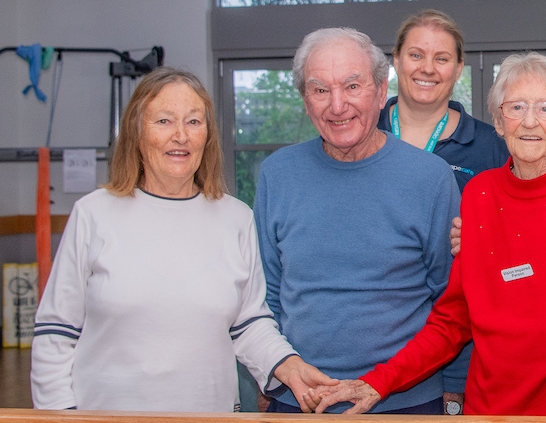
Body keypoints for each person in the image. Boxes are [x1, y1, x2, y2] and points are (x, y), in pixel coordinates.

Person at [312, 52, 546, 416]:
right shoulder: (480, 194)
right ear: (498, 121)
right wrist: (379, 381)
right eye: (516, 107)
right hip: (487, 410)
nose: (530, 121)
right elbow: (453, 319)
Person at [30, 67, 333, 412]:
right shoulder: (93, 214)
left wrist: (288, 365)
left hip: (209, 414)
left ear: (207, 135)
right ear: (136, 132)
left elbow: (249, 324)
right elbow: (56, 332)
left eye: (193, 122)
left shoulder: (235, 218)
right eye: (163, 121)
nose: (181, 136)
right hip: (105, 415)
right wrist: (59, 417)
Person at [254, 27, 462, 414]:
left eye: (352, 86)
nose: (337, 105)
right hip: (301, 399)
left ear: (382, 91)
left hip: (404, 400)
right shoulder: (276, 174)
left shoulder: (430, 178)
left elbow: (451, 302)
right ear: (305, 99)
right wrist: (274, 371)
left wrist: (453, 389)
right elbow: (266, 294)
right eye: (320, 90)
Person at [377, 9, 508, 192]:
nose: (428, 68)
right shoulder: (365, 130)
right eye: (416, 55)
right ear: (397, 60)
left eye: (441, 58)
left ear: (458, 69)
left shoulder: (492, 146)